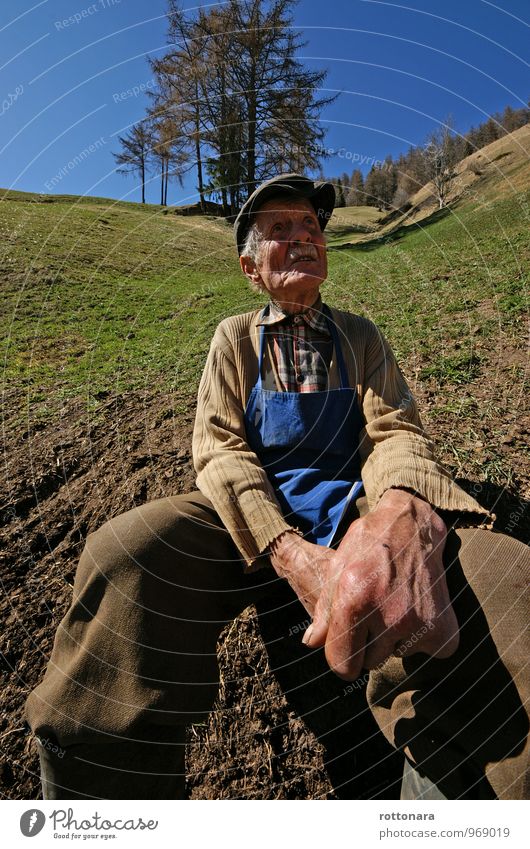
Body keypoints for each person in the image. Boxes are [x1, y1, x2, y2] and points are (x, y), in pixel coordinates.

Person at [26, 173, 529, 801]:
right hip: (247, 518)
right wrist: (287, 550)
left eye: (311, 228)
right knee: (125, 553)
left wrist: (397, 511)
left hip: (355, 505)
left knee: (509, 581)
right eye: (280, 230)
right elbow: (219, 449)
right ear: (249, 268)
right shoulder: (234, 339)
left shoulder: (361, 336)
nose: (302, 239)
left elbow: (394, 431)